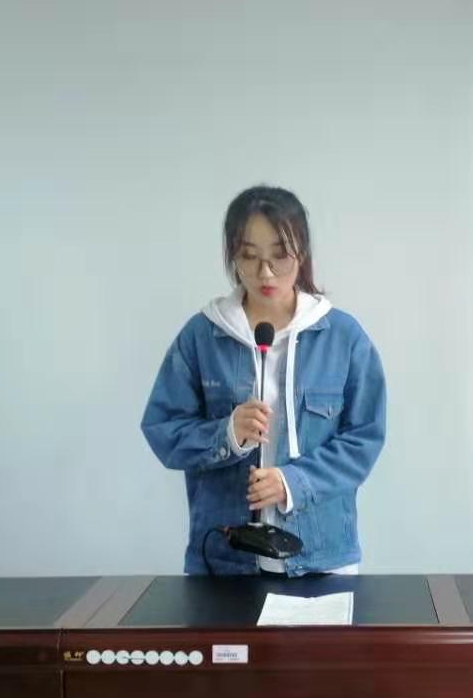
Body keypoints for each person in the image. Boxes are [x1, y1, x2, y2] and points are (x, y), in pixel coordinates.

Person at [141, 186, 387, 576]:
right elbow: (163, 429)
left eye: (279, 256)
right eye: (250, 256)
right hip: (224, 559)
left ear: (302, 252)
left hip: (322, 557)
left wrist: (293, 482)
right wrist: (226, 435)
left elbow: (364, 438)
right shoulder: (203, 336)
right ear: (232, 256)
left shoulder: (343, 336)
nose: (265, 273)